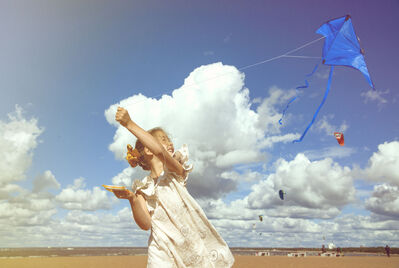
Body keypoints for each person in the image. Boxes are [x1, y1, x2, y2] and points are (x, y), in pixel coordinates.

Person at [113, 107, 235, 268]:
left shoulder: (175, 171)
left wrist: (130, 124)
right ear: (148, 149)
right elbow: (145, 224)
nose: (170, 143)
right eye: (163, 139)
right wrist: (132, 199)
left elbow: (161, 152)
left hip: (189, 244)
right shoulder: (142, 188)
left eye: (169, 140)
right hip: (162, 250)